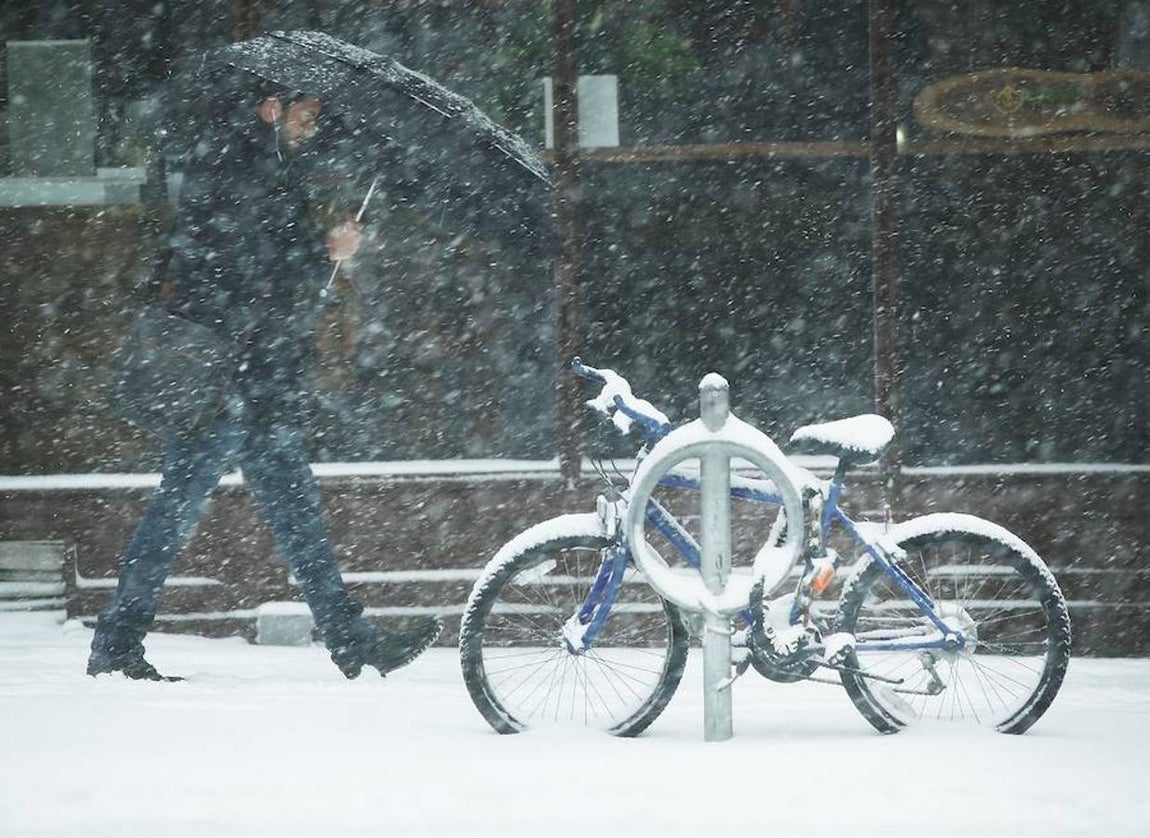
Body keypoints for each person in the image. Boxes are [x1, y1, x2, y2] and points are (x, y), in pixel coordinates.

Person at [88, 78, 441, 681]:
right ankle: (118, 643)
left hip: (258, 381)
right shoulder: (236, 164)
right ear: (272, 108)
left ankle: (350, 636)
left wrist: (321, 256)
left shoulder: (260, 165)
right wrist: (326, 252)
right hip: (227, 383)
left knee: (294, 511)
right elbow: (244, 270)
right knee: (177, 509)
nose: (312, 126)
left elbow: (259, 268)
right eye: (306, 113)